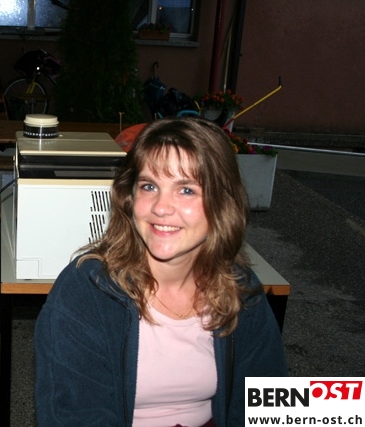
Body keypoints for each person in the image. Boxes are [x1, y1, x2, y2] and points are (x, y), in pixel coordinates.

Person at [34, 117, 287, 426]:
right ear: (130, 198)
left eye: (186, 190)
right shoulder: (86, 292)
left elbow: (264, 407)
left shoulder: (239, 288)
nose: (160, 207)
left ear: (222, 203)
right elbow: (74, 416)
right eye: (149, 186)